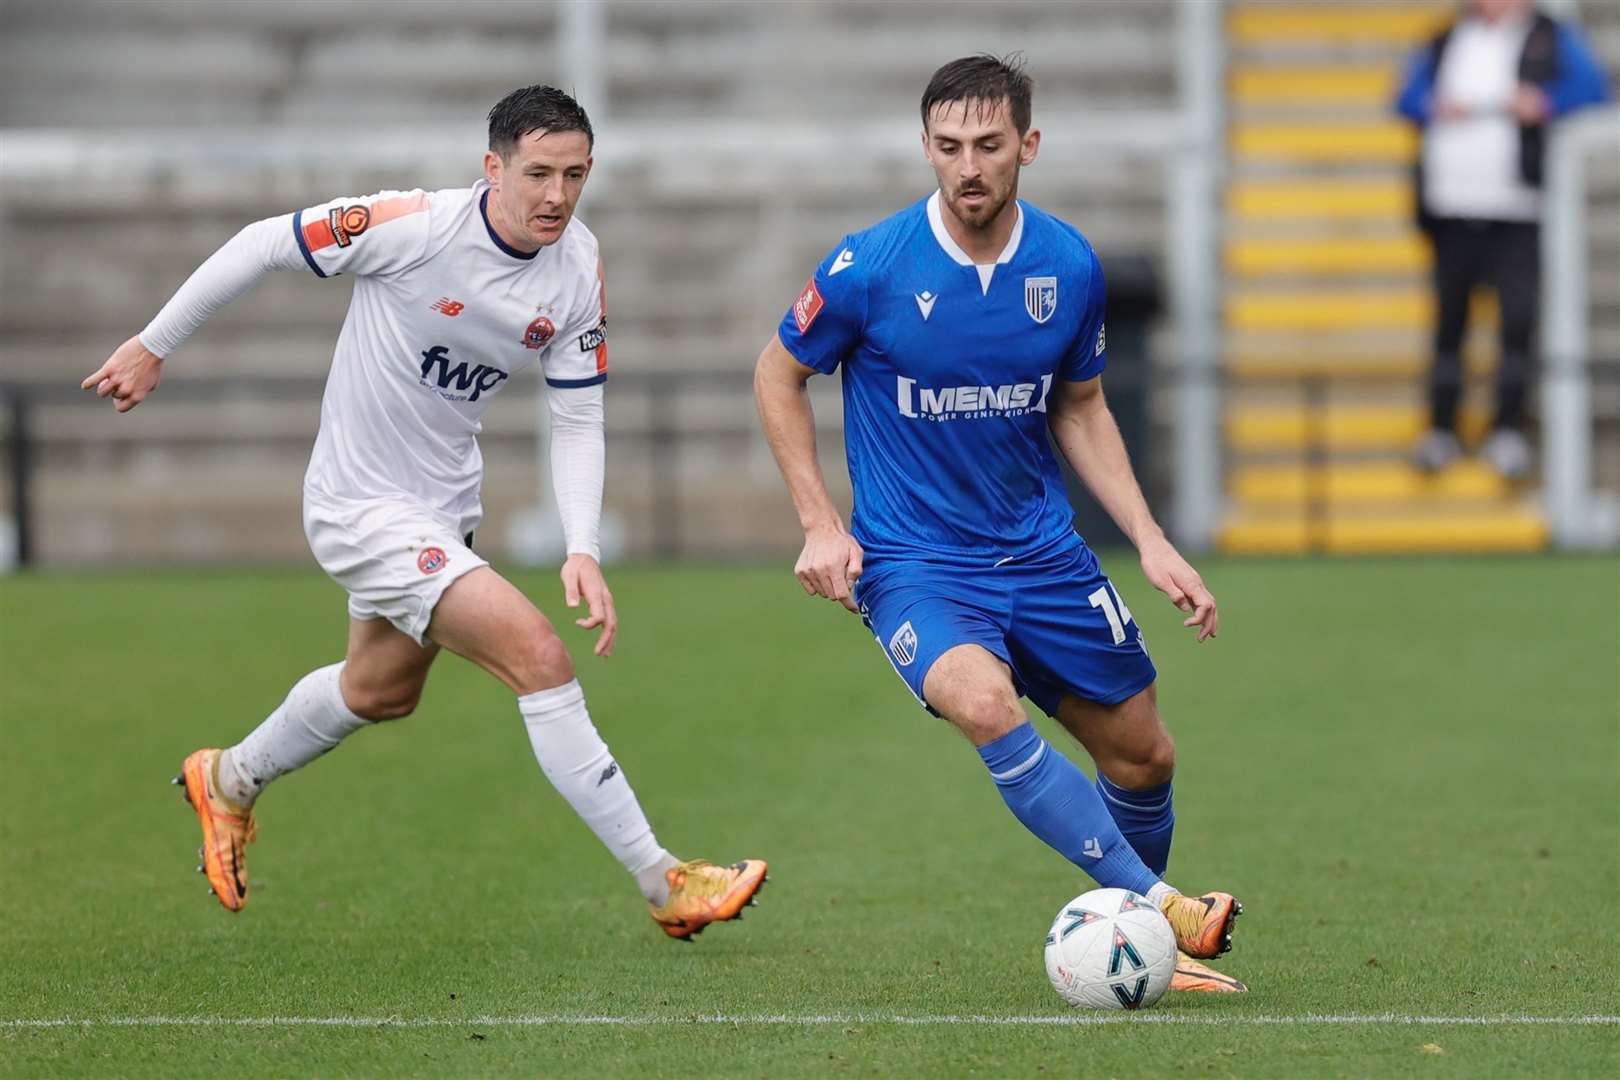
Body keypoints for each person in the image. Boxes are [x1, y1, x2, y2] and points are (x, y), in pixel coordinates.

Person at [81, 85, 765, 939]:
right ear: (494, 168)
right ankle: (664, 882)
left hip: (443, 507)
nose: (557, 195)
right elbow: (263, 244)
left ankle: (229, 778)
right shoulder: (413, 225)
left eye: (576, 175)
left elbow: (579, 412)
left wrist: (582, 544)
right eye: (539, 173)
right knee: (539, 656)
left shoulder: (578, 266)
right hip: (359, 505)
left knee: (380, 689)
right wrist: (152, 345)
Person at [753, 55, 1244, 994]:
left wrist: (1148, 537)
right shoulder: (870, 267)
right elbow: (777, 374)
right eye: (947, 147)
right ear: (926, 148)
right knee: (984, 704)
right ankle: (1160, 914)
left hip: (1045, 553)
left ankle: (1140, 929)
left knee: (1144, 756)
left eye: (987, 145)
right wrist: (820, 522)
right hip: (914, 562)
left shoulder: (1067, 262)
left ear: (1028, 144)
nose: (967, 166)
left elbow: (1082, 406)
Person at [1396, 0, 1609, 478]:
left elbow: (1595, 88)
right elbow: (1406, 98)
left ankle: (1507, 431)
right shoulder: (1446, 37)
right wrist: (1433, 105)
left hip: (1518, 209)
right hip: (1451, 207)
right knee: (1449, 325)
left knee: (1516, 323)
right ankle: (1441, 429)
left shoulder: (1551, 36)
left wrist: (1544, 103)